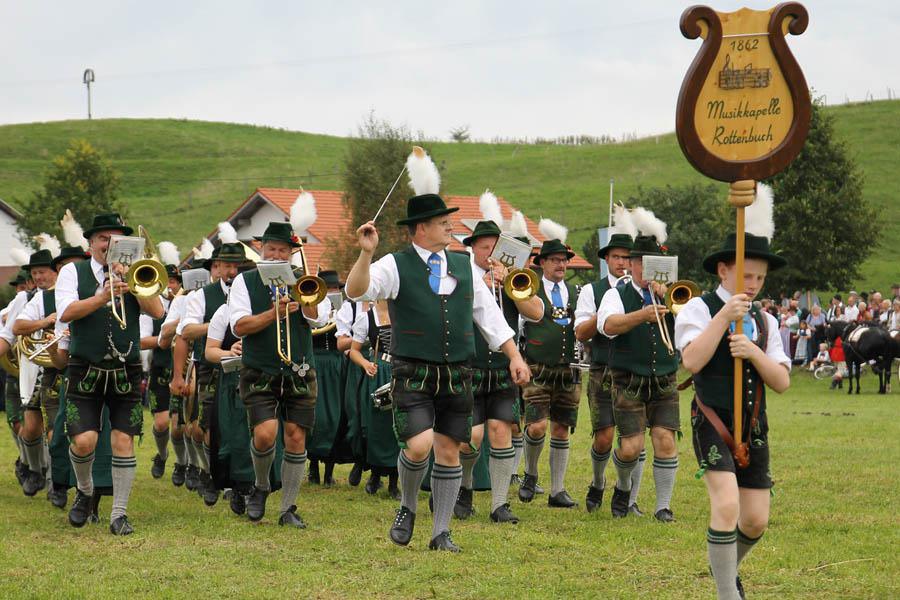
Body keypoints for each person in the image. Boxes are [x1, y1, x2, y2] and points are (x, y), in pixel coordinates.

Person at [345, 189, 530, 552]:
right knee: (418, 446)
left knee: (449, 450)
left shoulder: (463, 265)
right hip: (412, 372)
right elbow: (357, 291)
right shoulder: (395, 264)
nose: (450, 226)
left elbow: (488, 316)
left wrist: (514, 356)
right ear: (420, 228)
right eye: (442, 221)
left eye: (449, 220)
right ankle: (408, 506)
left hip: (457, 372)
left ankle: (441, 532)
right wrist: (366, 252)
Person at [675, 219, 791, 600]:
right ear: (723, 270)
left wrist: (754, 351)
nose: (754, 284)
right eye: (746, 274)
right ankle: (728, 594)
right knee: (726, 505)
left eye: (760, 277)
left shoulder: (766, 320)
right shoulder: (698, 308)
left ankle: (723, 566)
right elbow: (692, 360)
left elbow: (782, 381)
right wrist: (723, 318)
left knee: (755, 520)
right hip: (713, 419)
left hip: (754, 425)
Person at [56, 213, 165, 535]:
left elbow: (158, 312)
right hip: (84, 365)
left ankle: (119, 514)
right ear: (91, 244)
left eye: (116, 239)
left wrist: (132, 282)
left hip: (125, 367)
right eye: (104, 239)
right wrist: (102, 296)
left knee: (123, 440)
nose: (110, 245)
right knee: (84, 442)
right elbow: (65, 313)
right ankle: (86, 490)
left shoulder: (133, 273)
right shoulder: (71, 272)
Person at [229, 221, 330, 528]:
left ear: (291, 254)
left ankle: (288, 507)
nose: (275, 255)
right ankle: (261, 486)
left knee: (297, 437)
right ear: (261, 249)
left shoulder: (304, 280)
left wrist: (305, 303)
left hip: (298, 370)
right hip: (260, 369)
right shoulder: (245, 282)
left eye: (282, 250)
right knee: (264, 434)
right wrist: (274, 313)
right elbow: (239, 326)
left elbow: (319, 321)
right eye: (270, 249)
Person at [459, 221, 542, 523]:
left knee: (501, 431)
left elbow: (537, 312)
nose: (491, 253)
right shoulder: (462, 274)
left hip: (503, 368)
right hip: (469, 366)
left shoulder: (513, 279)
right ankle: (465, 488)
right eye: (484, 247)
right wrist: (482, 282)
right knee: (471, 436)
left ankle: (499, 503)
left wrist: (511, 286)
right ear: (473, 249)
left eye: (496, 247)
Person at [596, 233, 679, 522]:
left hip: (664, 377)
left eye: (652, 262)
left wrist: (669, 296)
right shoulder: (616, 293)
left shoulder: (671, 293)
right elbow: (607, 325)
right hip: (629, 379)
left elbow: (692, 322)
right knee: (631, 447)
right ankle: (622, 486)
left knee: (665, 440)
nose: (646, 268)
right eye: (641, 262)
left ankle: (663, 506)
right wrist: (641, 315)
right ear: (631, 264)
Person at [575, 231, 642, 514]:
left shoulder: (643, 289)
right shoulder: (593, 291)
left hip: (634, 369)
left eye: (627, 257)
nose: (622, 262)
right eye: (616, 257)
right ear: (606, 260)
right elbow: (580, 332)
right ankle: (598, 481)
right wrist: (603, 313)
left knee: (635, 437)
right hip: (603, 368)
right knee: (603, 436)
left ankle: (629, 495)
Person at [180, 242, 244, 505]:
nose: (232, 271)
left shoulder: (250, 290)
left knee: (238, 424)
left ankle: (234, 478)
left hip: (244, 366)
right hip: (209, 366)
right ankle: (210, 472)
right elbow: (186, 332)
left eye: (236, 266)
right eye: (227, 265)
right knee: (206, 427)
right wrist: (218, 324)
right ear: (216, 267)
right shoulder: (201, 296)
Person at [12, 249, 62, 499]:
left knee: (55, 430)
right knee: (31, 427)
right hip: (38, 369)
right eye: (34, 273)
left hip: (65, 366)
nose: (38, 277)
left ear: (56, 271)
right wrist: (45, 322)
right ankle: (34, 469)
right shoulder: (35, 298)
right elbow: (17, 326)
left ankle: (56, 483)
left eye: (42, 271)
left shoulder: (71, 294)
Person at [139, 265, 182, 480]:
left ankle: (184, 464)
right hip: (161, 368)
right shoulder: (151, 308)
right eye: (168, 282)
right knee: (161, 423)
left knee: (179, 425)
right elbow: (141, 341)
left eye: (175, 281)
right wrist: (163, 338)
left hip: (184, 369)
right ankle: (163, 454)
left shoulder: (188, 303)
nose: (172, 286)